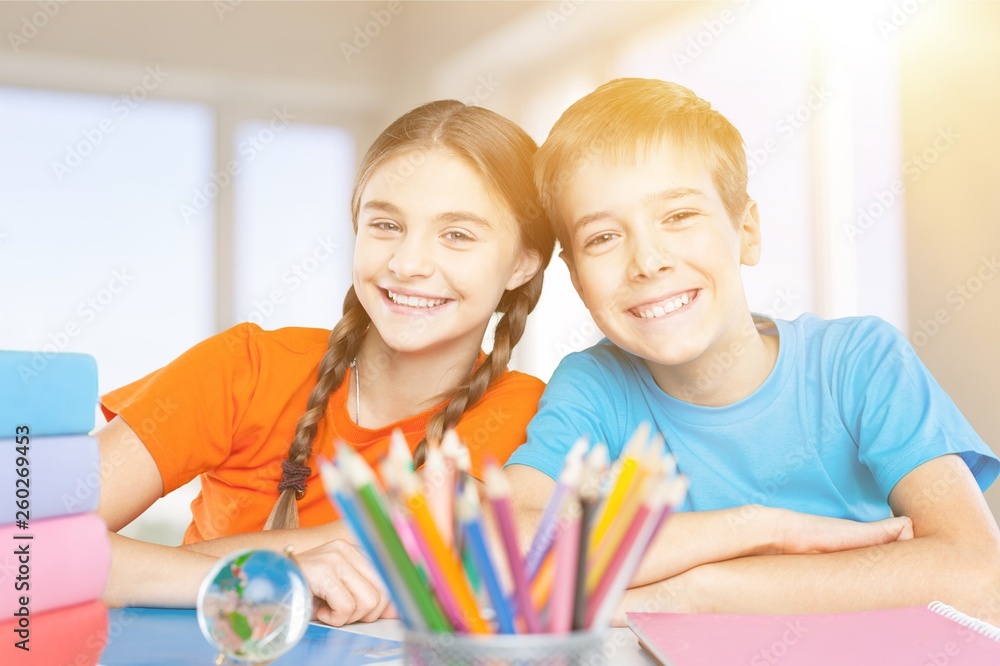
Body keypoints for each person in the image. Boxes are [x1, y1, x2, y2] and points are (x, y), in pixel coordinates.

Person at [504, 78, 1000, 624]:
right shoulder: (594, 384)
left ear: (747, 231)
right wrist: (761, 527)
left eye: (678, 216)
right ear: (576, 279)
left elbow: (978, 579)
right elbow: (513, 550)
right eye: (602, 237)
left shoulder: (859, 362)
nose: (646, 261)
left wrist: (702, 593)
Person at [96, 99, 555, 626]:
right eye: (385, 224)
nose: (407, 264)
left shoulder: (529, 422)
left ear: (523, 262)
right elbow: (23, 544)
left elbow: (414, 546)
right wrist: (275, 570)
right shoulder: (247, 367)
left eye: (457, 235)